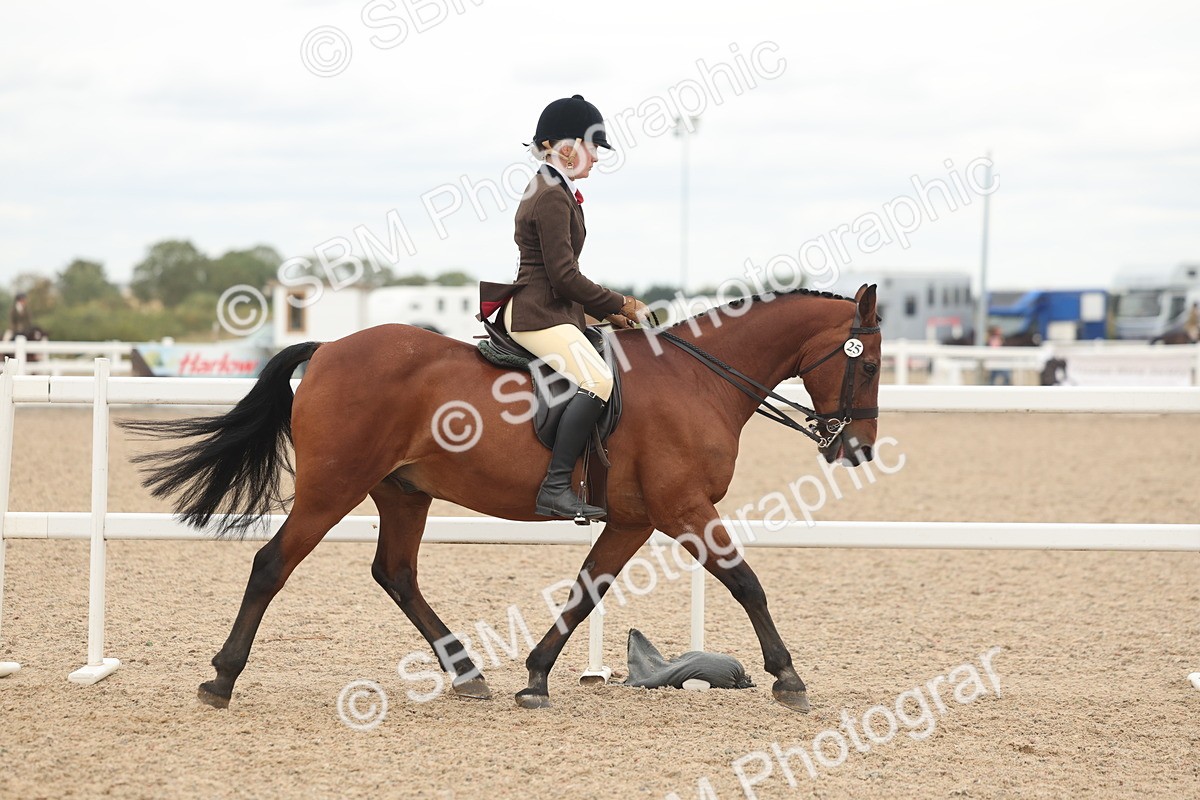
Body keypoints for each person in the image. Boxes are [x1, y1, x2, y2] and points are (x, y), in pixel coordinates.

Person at [482, 94, 649, 520]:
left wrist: (609, 314)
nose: (596, 158)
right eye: (593, 148)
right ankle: (555, 487)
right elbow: (564, 277)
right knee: (598, 380)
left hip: (552, 311)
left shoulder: (555, 188)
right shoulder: (552, 195)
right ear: (568, 146)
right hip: (538, 315)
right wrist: (623, 303)